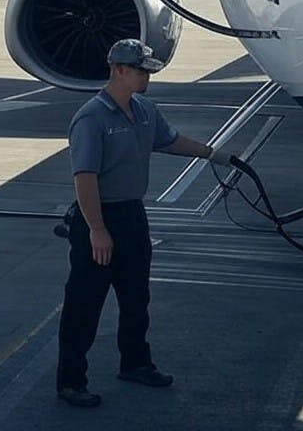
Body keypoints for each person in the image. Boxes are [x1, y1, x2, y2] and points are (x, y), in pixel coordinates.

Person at [56, 38, 232, 408]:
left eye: (148, 70)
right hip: (100, 216)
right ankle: (71, 381)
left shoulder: (144, 110)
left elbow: (170, 141)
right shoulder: (92, 118)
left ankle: (135, 362)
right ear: (118, 70)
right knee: (85, 304)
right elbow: (84, 177)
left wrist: (212, 153)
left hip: (133, 216)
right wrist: (97, 230)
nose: (146, 76)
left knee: (136, 298)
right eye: (140, 70)